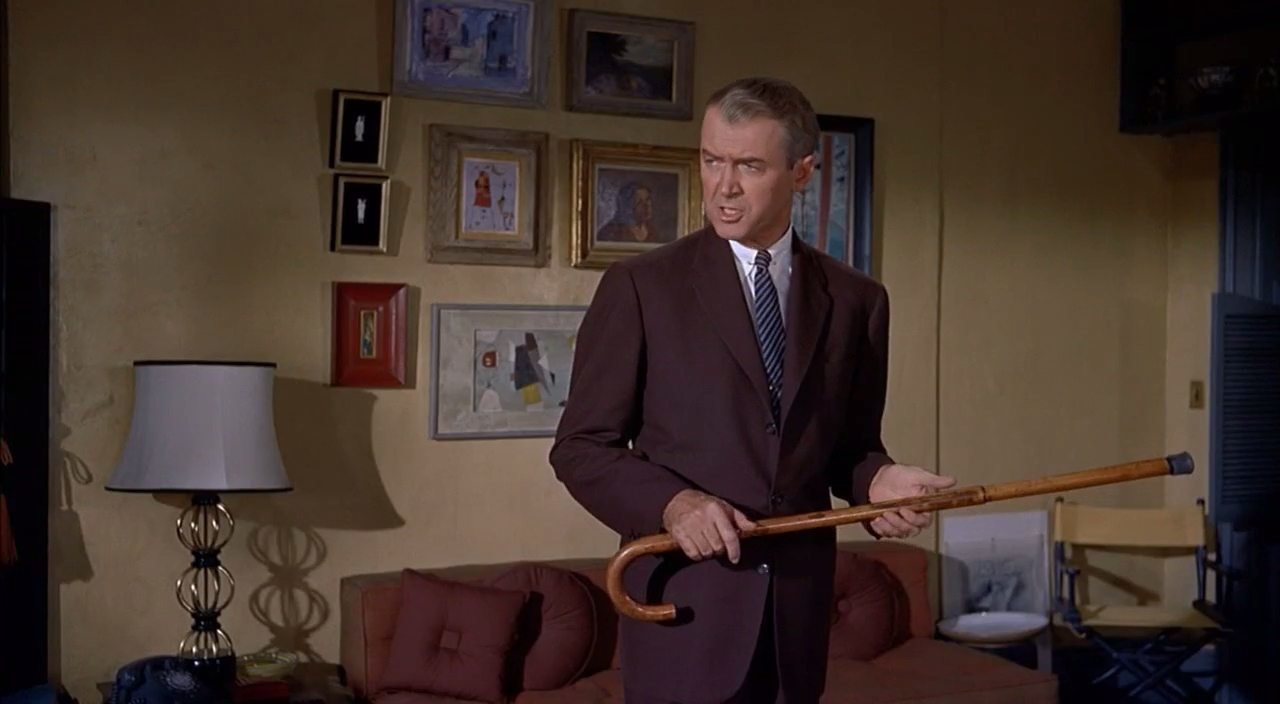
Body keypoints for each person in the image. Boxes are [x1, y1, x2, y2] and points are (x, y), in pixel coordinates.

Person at [549, 76, 956, 704]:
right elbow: (580, 448)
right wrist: (674, 504)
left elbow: (847, 448)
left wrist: (877, 482)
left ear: (802, 172)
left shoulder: (857, 301)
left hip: (795, 627)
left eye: (749, 166)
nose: (724, 186)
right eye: (712, 160)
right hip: (684, 619)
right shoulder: (641, 288)